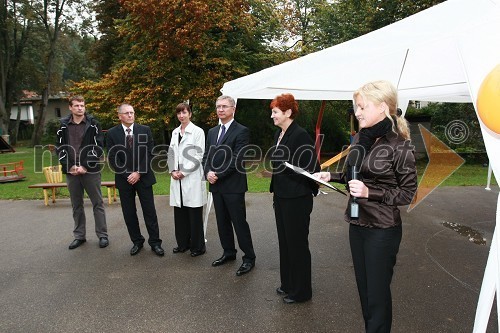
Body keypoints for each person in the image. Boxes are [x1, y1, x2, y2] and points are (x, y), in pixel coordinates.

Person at [315, 80, 417, 332]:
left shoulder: (399, 145)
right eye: (356, 107)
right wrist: (333, 176)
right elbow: (357, 172)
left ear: (382, 107)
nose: (357, 112)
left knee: (377, 294)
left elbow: (409, 193)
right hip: (357, 222)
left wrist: (371, 192)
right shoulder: (363, 137)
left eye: (361, 107)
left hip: (381, 230)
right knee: (365, 289)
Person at [269, 93, 320, 304]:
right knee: (285, 242)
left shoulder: (300, 135)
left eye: (275, 112)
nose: (272, 116)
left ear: (288, 112)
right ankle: (288, 284)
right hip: (281, 196)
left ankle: (301, 292)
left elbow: (311, 168)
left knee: (297, 244)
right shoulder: (279, 134)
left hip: (297, 198)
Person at [202, 95, 256, 276]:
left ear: (233, 109)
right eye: (218, 106)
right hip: (216, 186)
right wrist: (207, 172)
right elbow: (207, 157)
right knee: (222, 222)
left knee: (239, 223)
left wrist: (217, 174)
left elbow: (237, 159)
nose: (220, 109)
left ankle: (248, 258)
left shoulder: (241, 131)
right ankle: (229, 252)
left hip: (233, 186)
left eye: (224, 106)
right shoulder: (211, 132)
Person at [106, 103, 164, 257]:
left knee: (149, 212)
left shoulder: (145, 130)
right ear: (119, 116)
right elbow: (112, 157)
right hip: (125, 180)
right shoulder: (112, 133)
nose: (130, 115)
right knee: (129, 213)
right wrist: (127, 174)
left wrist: (138, 172)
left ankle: (155, 243)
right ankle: (137, 241)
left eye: (132, 112)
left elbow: (150, 152)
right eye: (126, 113)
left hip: (143, 178)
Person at [56, 95, 108, 250]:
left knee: (97, 203)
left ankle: (103, 235)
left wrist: (85, 165)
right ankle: (79, 236)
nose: (80, 108)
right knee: (76, 205)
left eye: (82, 105)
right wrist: (69, 166)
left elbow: (98, 146)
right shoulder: (62, 126)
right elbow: (59, 148)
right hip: (71, 171)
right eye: (77, 105)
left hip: (90, 170)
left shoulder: (94, 124)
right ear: (70, 107)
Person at [168, 103, 207, 257]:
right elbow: (171, 152)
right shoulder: (175, 132)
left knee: (194, 212)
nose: (181, 116)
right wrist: (172, 170)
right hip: (176, 177)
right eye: (179, 113)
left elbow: (198, 155)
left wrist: (183, 172)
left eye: (184, 112)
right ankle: (182, 244)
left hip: (191, 177)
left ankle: (198, 247)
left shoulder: (198, 132)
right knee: (180, 212)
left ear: (190, 113)